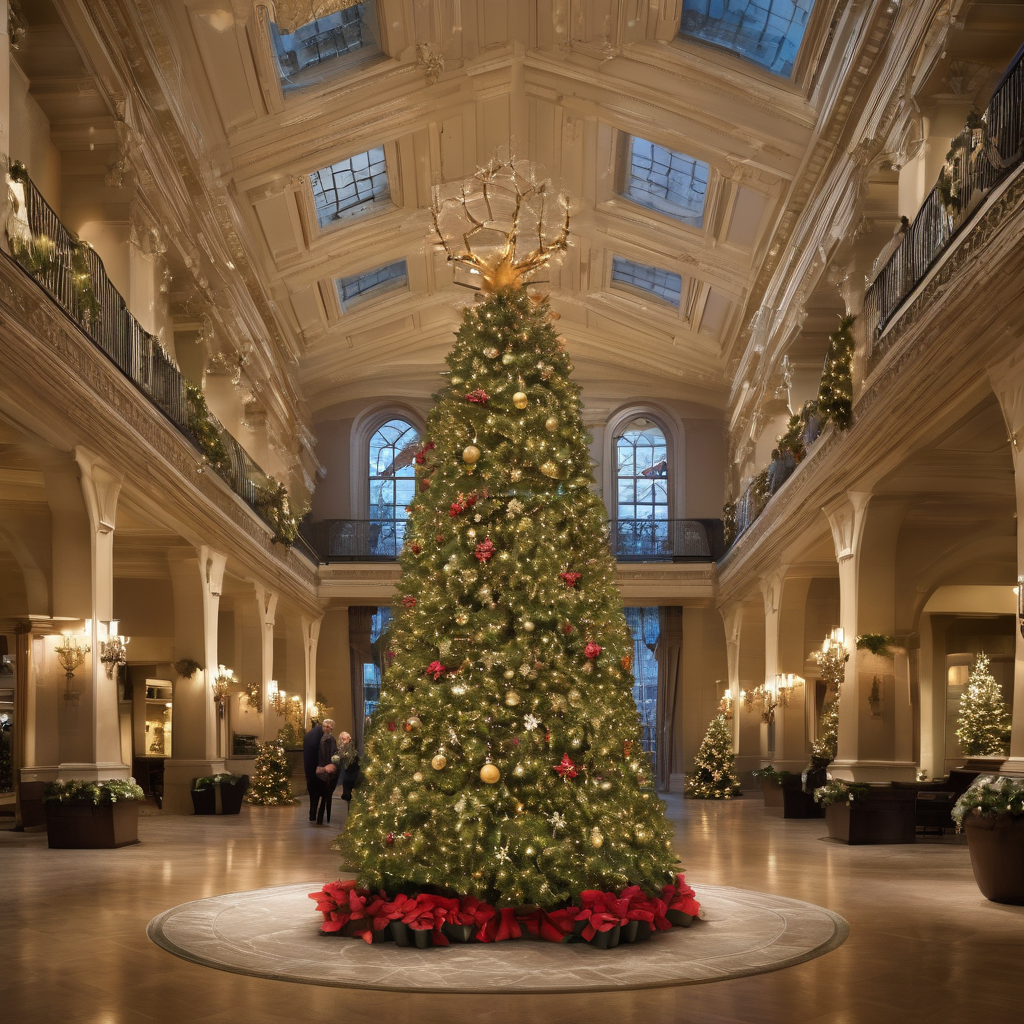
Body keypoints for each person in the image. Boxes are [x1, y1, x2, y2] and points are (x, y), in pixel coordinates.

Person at [313, 718, 339, 826]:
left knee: (325, 795)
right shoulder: (320, 738)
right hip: (318, 768)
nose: (326, 728)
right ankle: (315, 816)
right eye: (324, 726)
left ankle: (320, 818)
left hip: (326, 769)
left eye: (328, 726)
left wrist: (328, 767)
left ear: (332, 728)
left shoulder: (331, 739)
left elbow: (332, 755)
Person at [302, 719, 323, 823]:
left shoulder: (308, 736)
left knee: (312, 792)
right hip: (318, 768)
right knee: (319, 791)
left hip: (309, 768)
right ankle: (317, 814)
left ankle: (312, 812)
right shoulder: (320, 735)